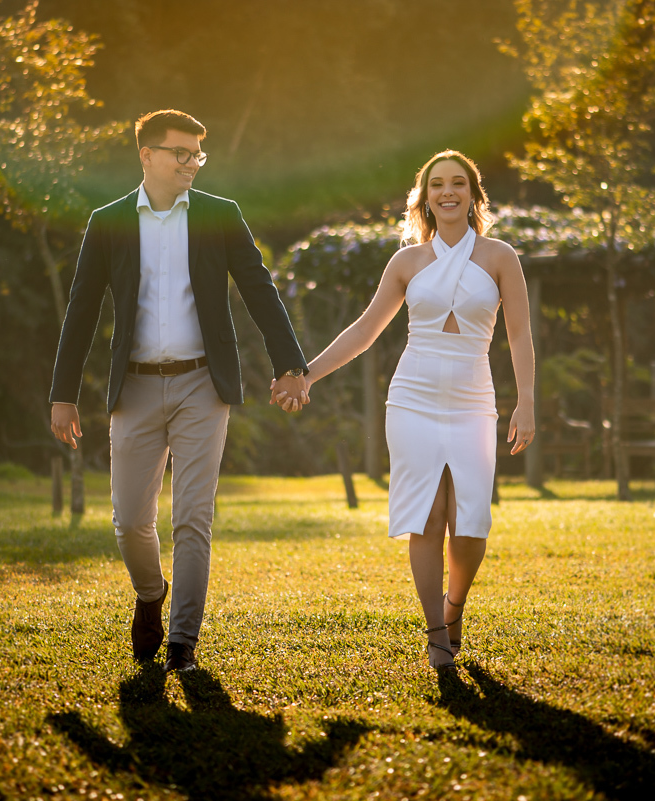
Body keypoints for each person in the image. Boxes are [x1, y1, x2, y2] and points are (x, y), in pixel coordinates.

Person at [50, 109, 309, 673]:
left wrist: (291, 364)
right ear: (147, 155)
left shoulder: (220, 215)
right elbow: (82, 310)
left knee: (193, 518)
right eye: (181, 153)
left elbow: (260, 289)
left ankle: (182, 644)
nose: (192, 163)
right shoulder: (109, 221)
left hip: (202, 385)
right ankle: (150, 594)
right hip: (135, 389)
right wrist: (62, 392)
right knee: (129, 521)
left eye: (198, 154)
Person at [274, 150, 535, 667]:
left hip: (473, 399)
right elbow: (366, 331)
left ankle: (454, 606)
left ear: (473, 195)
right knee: (427, 516)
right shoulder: (406, 262)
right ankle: (437, 635)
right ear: (424, 197)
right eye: (437, 184)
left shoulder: (501, 256)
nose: (448, 192)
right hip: (412, 399)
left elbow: (521, 334)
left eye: (458, 183)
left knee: (470, 520)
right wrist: (305, 374)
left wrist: (526, 403)